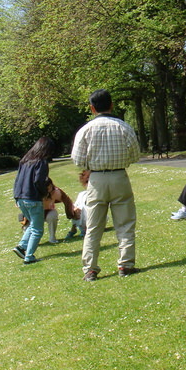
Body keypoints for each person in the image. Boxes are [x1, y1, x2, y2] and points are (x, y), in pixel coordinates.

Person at [71, 89, 141, 282]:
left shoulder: (85, 130)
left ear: (92, 108)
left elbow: (77, 159)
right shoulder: (124, 127)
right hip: (119, 176)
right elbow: (135, 155)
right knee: (125, 223)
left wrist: (91, 164)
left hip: (96, 179)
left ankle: (90, 269)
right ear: (111, 105)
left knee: (94, 226)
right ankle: (125, 265)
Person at [12, 137, 55, 264]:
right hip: (32, 198)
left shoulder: (24, 161)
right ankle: (29, 256)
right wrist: (44, 193)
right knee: (38, 229)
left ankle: (21, 247)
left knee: (33, 224)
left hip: (20, 197)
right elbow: (38, 181)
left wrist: (16, 197)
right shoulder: (41, 162)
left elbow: (17, 180)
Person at [65, 170, 91, 240]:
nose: (88, 184)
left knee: (82, 207)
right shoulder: (82, 194)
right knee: (77, 208)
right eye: (87, 182)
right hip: (82, 219)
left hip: (94, 219)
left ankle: (76, 229)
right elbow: (75, 206)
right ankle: (75, 228)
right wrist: (75, 209)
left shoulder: (97, 194)